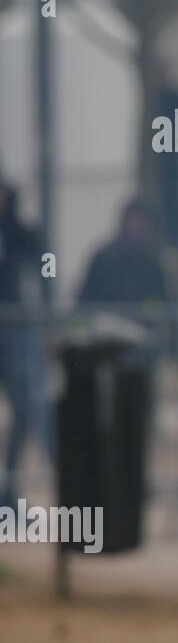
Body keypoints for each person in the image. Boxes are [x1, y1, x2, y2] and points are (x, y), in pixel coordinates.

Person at [0, 178, 41, 511]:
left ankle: (8, 495)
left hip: (11, 333)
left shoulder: (14, 229)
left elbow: (37, 251)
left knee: (24, 408)